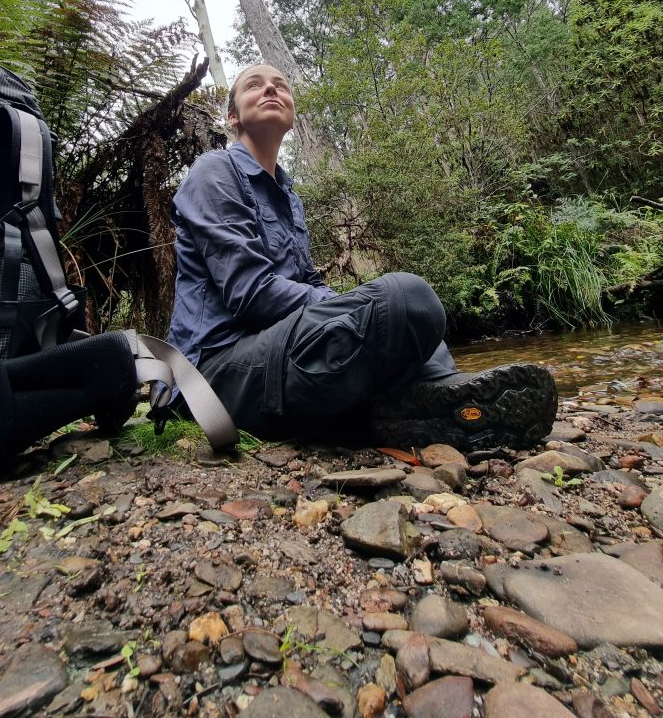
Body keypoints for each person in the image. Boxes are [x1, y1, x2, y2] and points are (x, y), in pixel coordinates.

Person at [167, 64, 557, 450]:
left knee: (414, 324)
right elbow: (251, 293)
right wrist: (349, 307)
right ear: (232, 116)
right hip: (218, 372)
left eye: (280, 85)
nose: (271, 89)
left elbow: (307, 283)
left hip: (282, 351)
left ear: (291, 111)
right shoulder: (214, 171)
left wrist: (347, 306)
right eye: (255, 85)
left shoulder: (288, 197)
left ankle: (442, 401)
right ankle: (427, 405)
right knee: (405, 300)